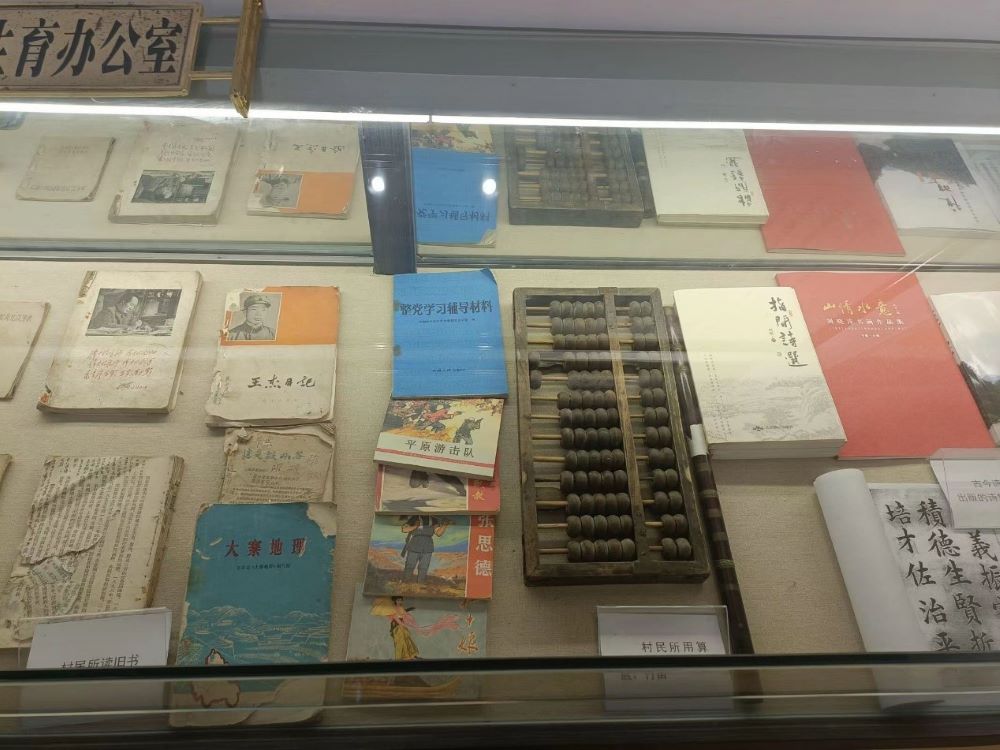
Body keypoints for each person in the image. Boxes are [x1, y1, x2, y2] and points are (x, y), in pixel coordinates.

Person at [400, 516, 449, 584]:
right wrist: (415, 526)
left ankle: (420, 583)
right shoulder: (414, 518)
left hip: (427, 547)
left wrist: (444, 525)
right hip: (414, 546)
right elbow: (404, 529)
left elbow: (438, 533)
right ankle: (406, 582)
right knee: (409, 565)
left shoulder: (433, 519)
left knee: (424, 567)